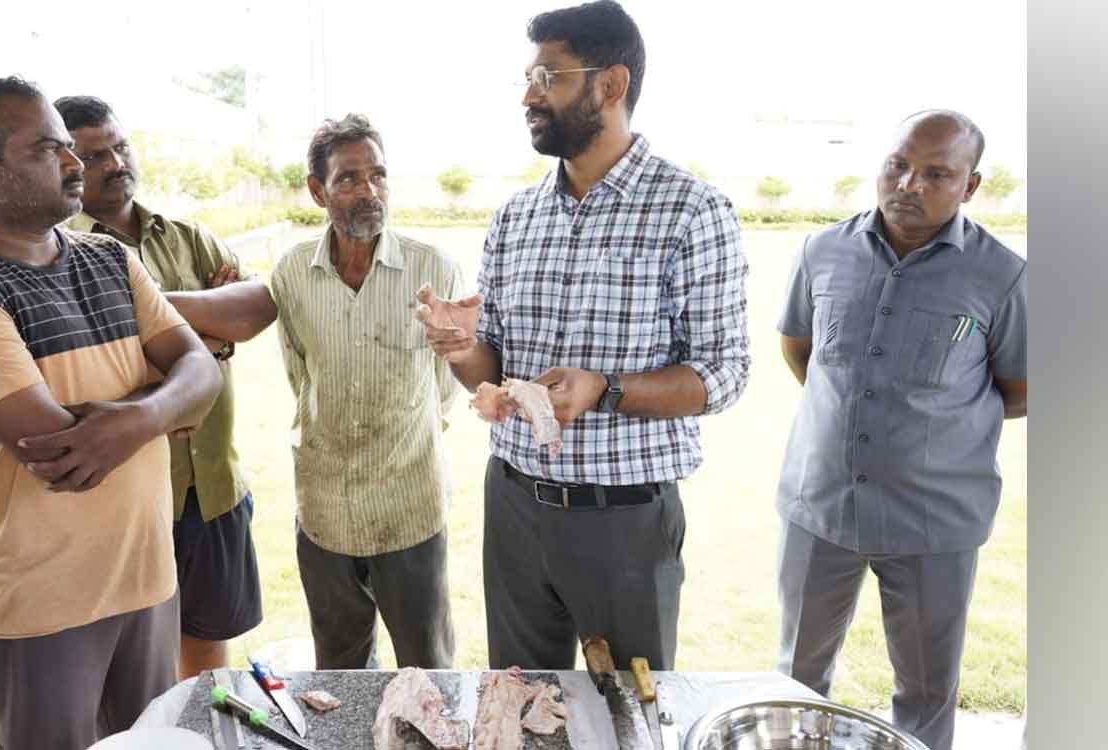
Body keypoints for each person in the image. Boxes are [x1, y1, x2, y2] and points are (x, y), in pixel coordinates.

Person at [417, 0, 751, 671]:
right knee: (522, 703)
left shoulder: (692, 210)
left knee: (629, 711)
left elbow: (723, 373)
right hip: (513, 503)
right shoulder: (515, 217)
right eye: (529, 81)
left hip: (624, 522)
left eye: (549, 78)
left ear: (611, 84)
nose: (529, 98)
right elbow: (491, 369)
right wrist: (462, 347)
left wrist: (605, 389)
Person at [0, 76, 222, 750]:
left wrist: (137, 420)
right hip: (38, 610)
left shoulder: (111, 258)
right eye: (50, 150)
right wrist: (166, 404)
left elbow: (202, 373)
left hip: (146, 581)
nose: (77, 164)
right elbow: (64, 453)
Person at [773, 110, 1027, 750]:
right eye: (897, 164)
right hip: (820, 505)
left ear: (969, 187)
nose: (909, 183)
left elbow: (1019, 390)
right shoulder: (821, 250)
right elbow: (801, 351)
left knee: (925, 691)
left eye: (936, 173)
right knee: (796, 678)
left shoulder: (1003, 276)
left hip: (933, 522)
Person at [56, 94, 277, 679]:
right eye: (94, 154)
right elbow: (89, 372)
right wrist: (203, 329)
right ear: (64, 164)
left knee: (207, 656)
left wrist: (152, 317)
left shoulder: (185, 237)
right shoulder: (58, 255)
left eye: (120, 146)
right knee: (126, 665)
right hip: (121, 496)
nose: (114, 162)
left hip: (211, 486)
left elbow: (257, 305)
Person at [269, 113, 460, 670]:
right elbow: (300, 373)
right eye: (349, 179)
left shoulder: (433, 267)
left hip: (410, 508)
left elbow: (444, 387)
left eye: (378, 175)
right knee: (339, 671)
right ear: (317, 190)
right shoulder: (292, 272)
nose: (368, 191)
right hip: (325, 509)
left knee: (427, 670)